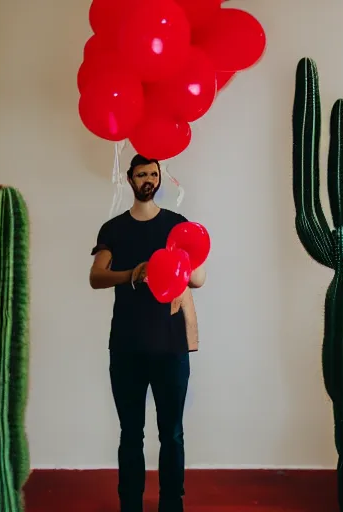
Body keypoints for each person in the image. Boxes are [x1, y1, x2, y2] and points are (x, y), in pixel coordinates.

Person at [89, 154, 206, 512]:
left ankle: (172, 504)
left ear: (160, 179)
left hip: (171, 347)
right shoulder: (113, 229)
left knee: (171, 433)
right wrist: (133, 273)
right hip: (126, 347)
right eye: (142, 174)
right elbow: (96, 277)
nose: (148, 180)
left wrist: (178, 269)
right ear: (130, 179)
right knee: (131, 434)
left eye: (154, 174)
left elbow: (199, 279)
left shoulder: (177, 226)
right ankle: (130, 505)